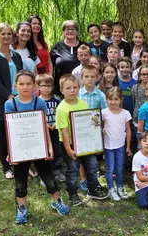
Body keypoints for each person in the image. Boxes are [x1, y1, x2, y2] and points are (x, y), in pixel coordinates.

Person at [5, 70, 69, 224]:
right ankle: (22, 208)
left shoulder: (39, 102)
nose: (25, 87)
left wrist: (49, 147)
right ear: (16, 86)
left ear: (34, 86)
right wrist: (10, 152)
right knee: (20, 180)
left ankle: (56, 200)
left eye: (28, 84)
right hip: (20, 148)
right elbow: (9, 130)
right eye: (21, 84)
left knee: (48, 176)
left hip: (38, 146)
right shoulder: (10, 104)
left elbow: (44, 126)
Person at [56, 74, 108, 206]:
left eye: (75, 87)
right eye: (68, 88)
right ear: (62, 90)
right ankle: (73, 195)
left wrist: (95, 141)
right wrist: (68, 148)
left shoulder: (83, 103)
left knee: (92, 166)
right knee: (72, 170)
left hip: (86, 142)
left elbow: (89, 123)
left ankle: (93, 188)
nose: (72, 90)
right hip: (70, 144)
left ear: (79, 88)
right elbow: (64, 131)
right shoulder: (61, 109)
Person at [0, 23, 23, 179]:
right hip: (2, 102)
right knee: (3, 135)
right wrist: (11, 98)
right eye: (3, 34)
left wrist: (22, 96)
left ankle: (20, 161)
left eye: (9, 34)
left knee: (18, 133)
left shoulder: (16, 56)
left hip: (19, 100)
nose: (6, 37)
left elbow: (22, 77)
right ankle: (6, 167)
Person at [77, 65, 108, 191]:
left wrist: (103, 127)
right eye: (86, 77)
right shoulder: (78, 94)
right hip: (81, 130)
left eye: (92, 77)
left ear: (97, 78)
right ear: (82, 78)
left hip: (95, 130)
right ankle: (83, 179)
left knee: (93, 156)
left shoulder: (100, 95)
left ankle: (93, 178)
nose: (89, 79)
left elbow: (104, 113)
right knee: (82, 155)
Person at [102, 87, 132, 201]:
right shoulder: (104, 112)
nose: (113, 102)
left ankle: (120, 187)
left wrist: (128, 146)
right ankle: (111, 189)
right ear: (106, 99)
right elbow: (100, 126)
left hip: (120, 145)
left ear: (121, 100)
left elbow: (128, 130)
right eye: (110, 99)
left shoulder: (125, 113)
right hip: (108, 146)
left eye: (116, 99)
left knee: (119, 168)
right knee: (110, 168)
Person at [36, 74, 66, 182]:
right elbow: (36, 117)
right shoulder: (37, 102)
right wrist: (45, 124)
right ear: (38, 87)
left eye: (49, 86)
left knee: (57, 150)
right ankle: (45, 174)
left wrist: (56, 123)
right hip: (43, 131)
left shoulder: (57, 101)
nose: (46, 88)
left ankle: (57, 170)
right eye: (44, 86)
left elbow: (60, 114)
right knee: (45, 152)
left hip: (55, 130)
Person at [50, 20, 86, 96]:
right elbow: (50, 66)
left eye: (73, 29)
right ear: (63, 32)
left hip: (81, 89)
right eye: (67, 29)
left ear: (77, 32)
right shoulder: (57, 46)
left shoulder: (84, 46)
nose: (70, 31)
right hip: (61, 90)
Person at [132, 65, 148, 144]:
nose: (145, 76)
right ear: (139, 75)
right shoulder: (135, 88)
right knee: (140, 140)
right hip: (138, 118)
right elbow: (133, 101)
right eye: (143, 74)